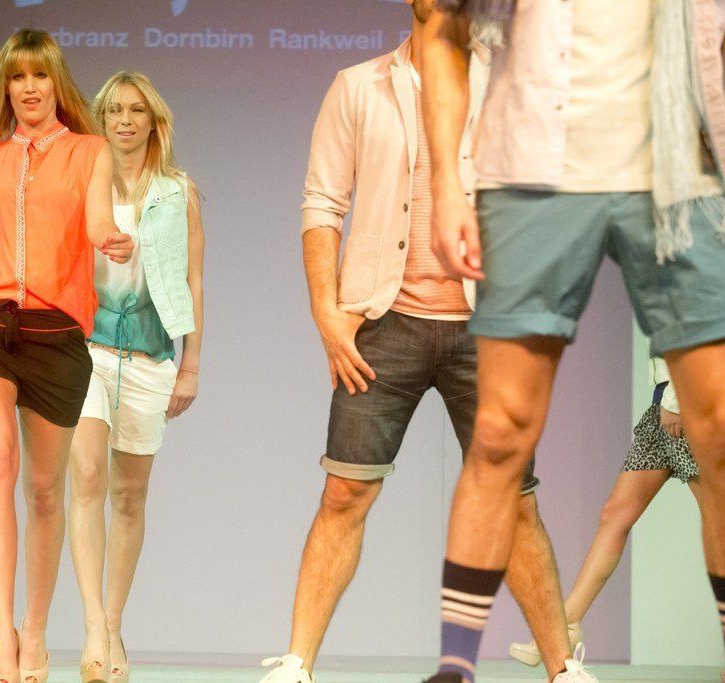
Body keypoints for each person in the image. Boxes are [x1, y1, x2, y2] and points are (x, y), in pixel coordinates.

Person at [257, 2, 575, 681]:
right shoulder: (359, 86)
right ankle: (296, 662)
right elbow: (323, 202)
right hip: (383, 320)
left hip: (486, 325)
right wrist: (326, 311)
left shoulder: (509, 82)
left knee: (514, 500)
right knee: (344, 493)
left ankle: (562, 668)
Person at [423, 1, 725, 681]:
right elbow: (443, 27)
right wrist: (445, 184)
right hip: (534, 176)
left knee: (720, 431)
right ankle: (455, 668)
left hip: (682, 174)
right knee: (500, 430)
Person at [0, 29, 133, 683]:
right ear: (4, 87)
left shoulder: (91, 151)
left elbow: (97, 220)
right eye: (17, 76)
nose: (29, 88)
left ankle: (34, 630)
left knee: (43, 490)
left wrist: (111, 238)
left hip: (56, 333)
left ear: (56, 83)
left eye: (39, 75)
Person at [67, 71, 204, 683]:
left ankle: (114, 622)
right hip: (86, 346)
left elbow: (194, 280)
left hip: (151, 354)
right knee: (87, 476)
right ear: (100, 120)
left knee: (128, 495)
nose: (124, 121)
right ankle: (93, 627)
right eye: (114, 110)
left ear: (154, 121)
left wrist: (191, 363)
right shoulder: (83, 186)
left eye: (136, 110)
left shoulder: (178, 192)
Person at [508, 358, 700, 666]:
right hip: (662, 409)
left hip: (690, 404)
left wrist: (677, 399)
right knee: (615, 515)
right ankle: (567, 623)